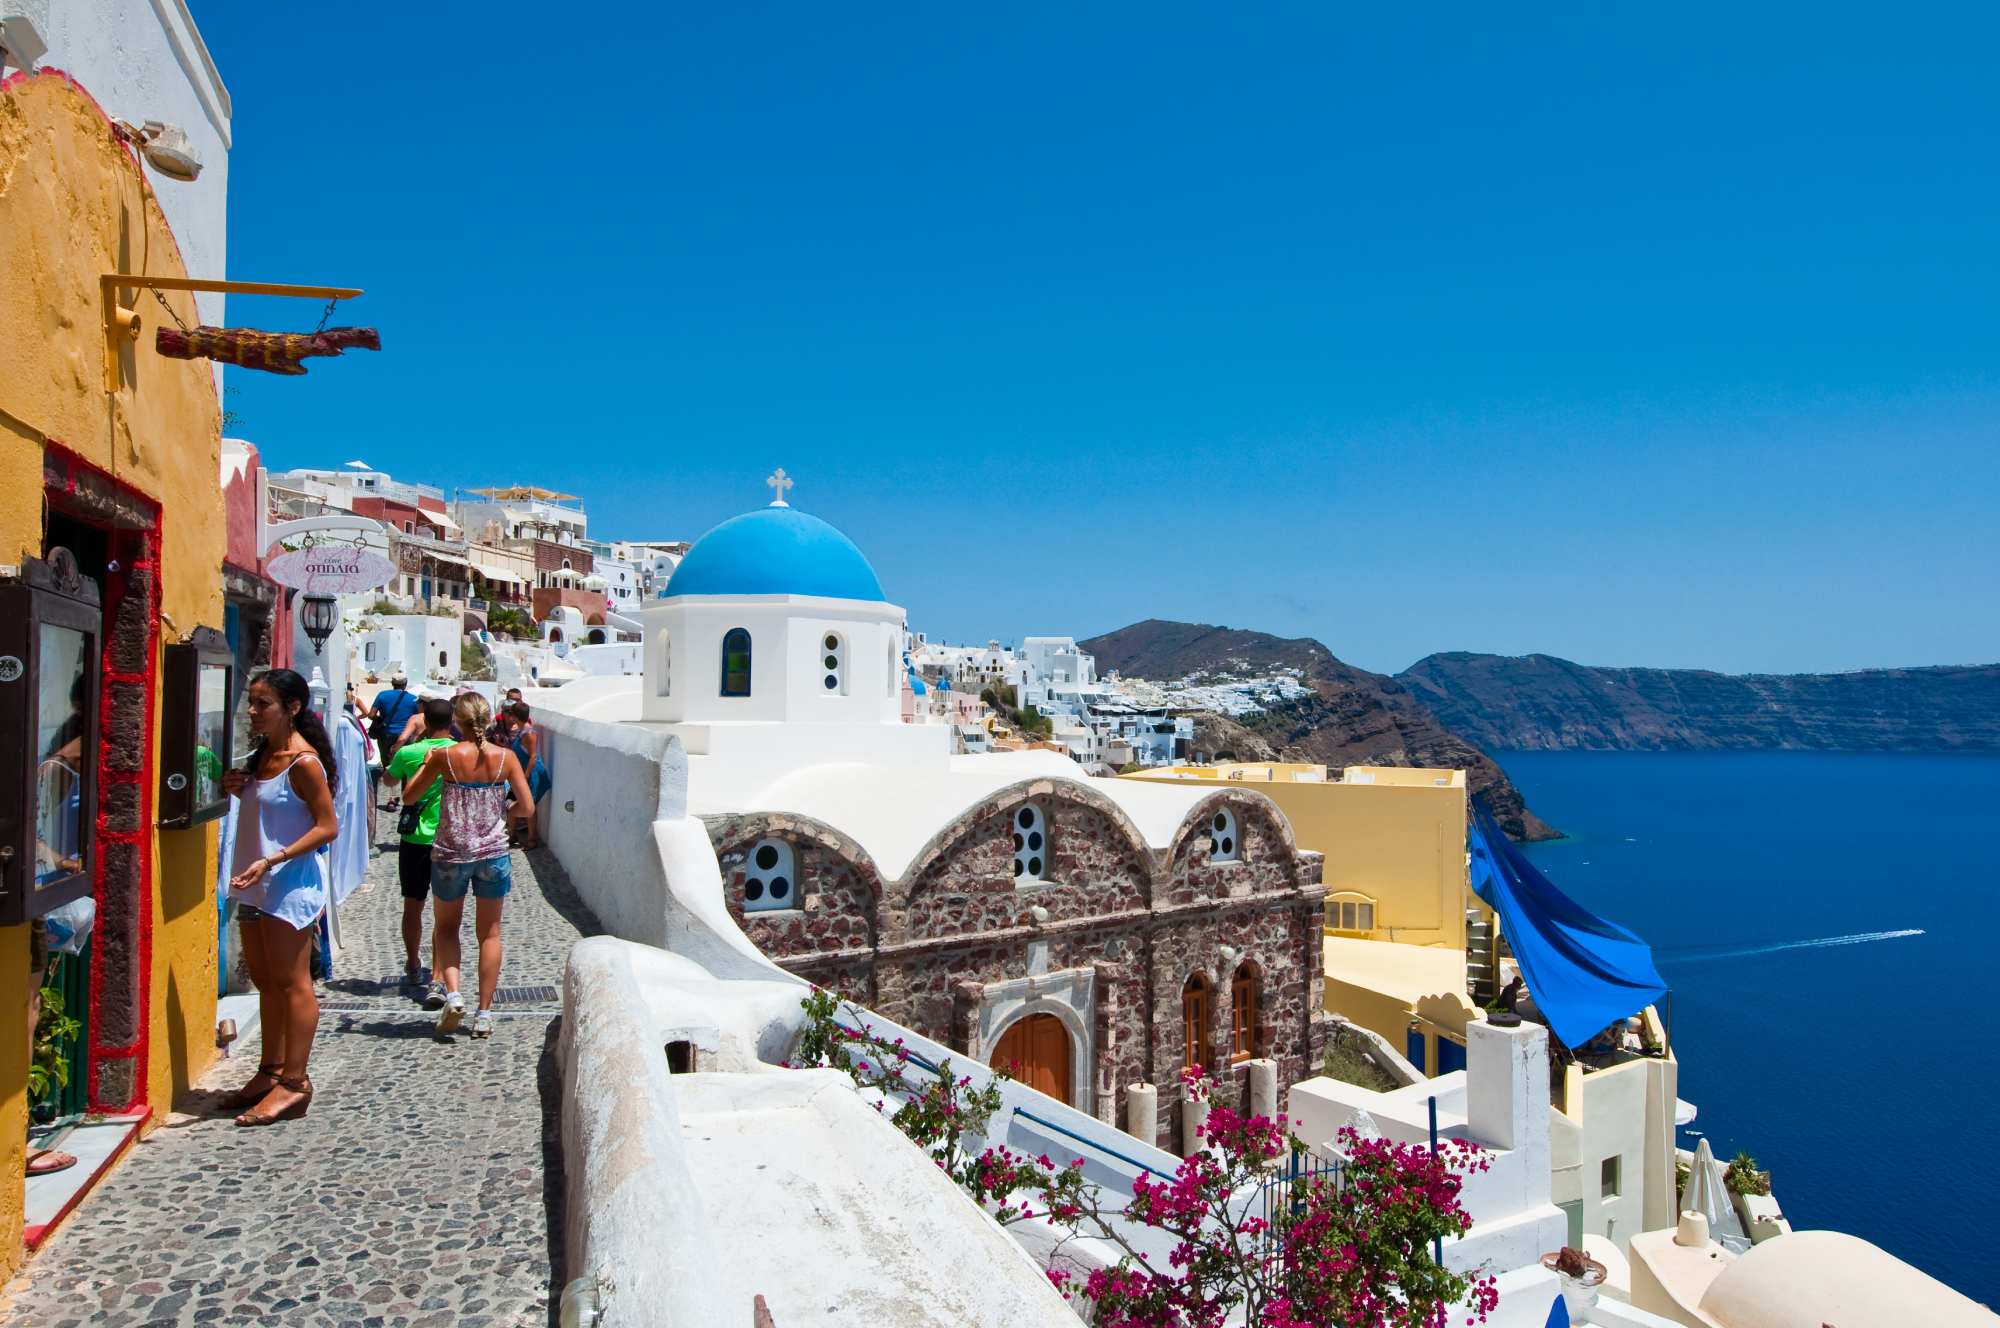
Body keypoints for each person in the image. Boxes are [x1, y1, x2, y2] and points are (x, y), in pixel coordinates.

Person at [221, 668, 341, 1126]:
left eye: (262, 704)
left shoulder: (303, 762)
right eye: (252, 702)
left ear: (291, 708)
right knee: (266, 983)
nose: (252, 711)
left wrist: (273, 861)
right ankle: (269, 1071)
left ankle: (295, 1083)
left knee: (294, 984)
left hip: (288, 885)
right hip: (256, 885)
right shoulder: (261, 756)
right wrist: (236, 787)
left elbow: (328, 826)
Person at [404, 693, 534, 1038]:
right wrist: (503, 814)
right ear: (490, 719)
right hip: (493, 855)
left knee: (447, 929)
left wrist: (426, 763)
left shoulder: (445, 756)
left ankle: (455, 994)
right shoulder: (505, 758)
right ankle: (485, 1014)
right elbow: (528, 807)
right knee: (490, 933)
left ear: (457, 722)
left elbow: (409, 796)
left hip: (451, 854)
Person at [384, 697, 455, 997]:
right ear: (452, 721)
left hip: (415, 839)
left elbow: (388, 781)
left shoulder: (410, 752)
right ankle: (437, 976)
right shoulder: (460, 752)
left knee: (412, 905)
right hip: (449, 839)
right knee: (445, 912)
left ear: (425, 722)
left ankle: (413, 964)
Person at [503, 701, 551, 850]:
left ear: (515, 716)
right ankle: (512, 835)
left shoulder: (529, 733)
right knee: (511, 803)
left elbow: (533, 757)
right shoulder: (521, 730)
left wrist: (526, 776)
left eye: (511, 714)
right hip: (521, 774)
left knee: (530, 806)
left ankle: (532, 839)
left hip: (531, 774)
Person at [367, 675, 419, 810]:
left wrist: (382, 719)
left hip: (386, 735)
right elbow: (417, 716)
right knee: (407, 766)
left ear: (392, 683)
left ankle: (391, 800)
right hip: (406, 735)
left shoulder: (382, 695)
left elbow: (371, 715)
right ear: (405, 684)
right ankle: (407, 797)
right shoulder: (413, 699)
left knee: (389, 766)